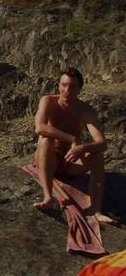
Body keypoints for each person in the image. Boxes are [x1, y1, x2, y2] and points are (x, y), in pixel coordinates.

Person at [33, 67, 111, 223]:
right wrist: (72, 139)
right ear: (59, 85)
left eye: (72, 86)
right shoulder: (48, 101)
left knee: (97, 155)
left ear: (79, 89)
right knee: (45, 138)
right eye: (64, 85)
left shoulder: (85, 110)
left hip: (71, 161)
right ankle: (48, 197)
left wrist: (82, 148)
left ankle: (96, 209)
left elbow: (102, 143)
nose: (67, 90)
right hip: (50, 159)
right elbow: (40, 128)